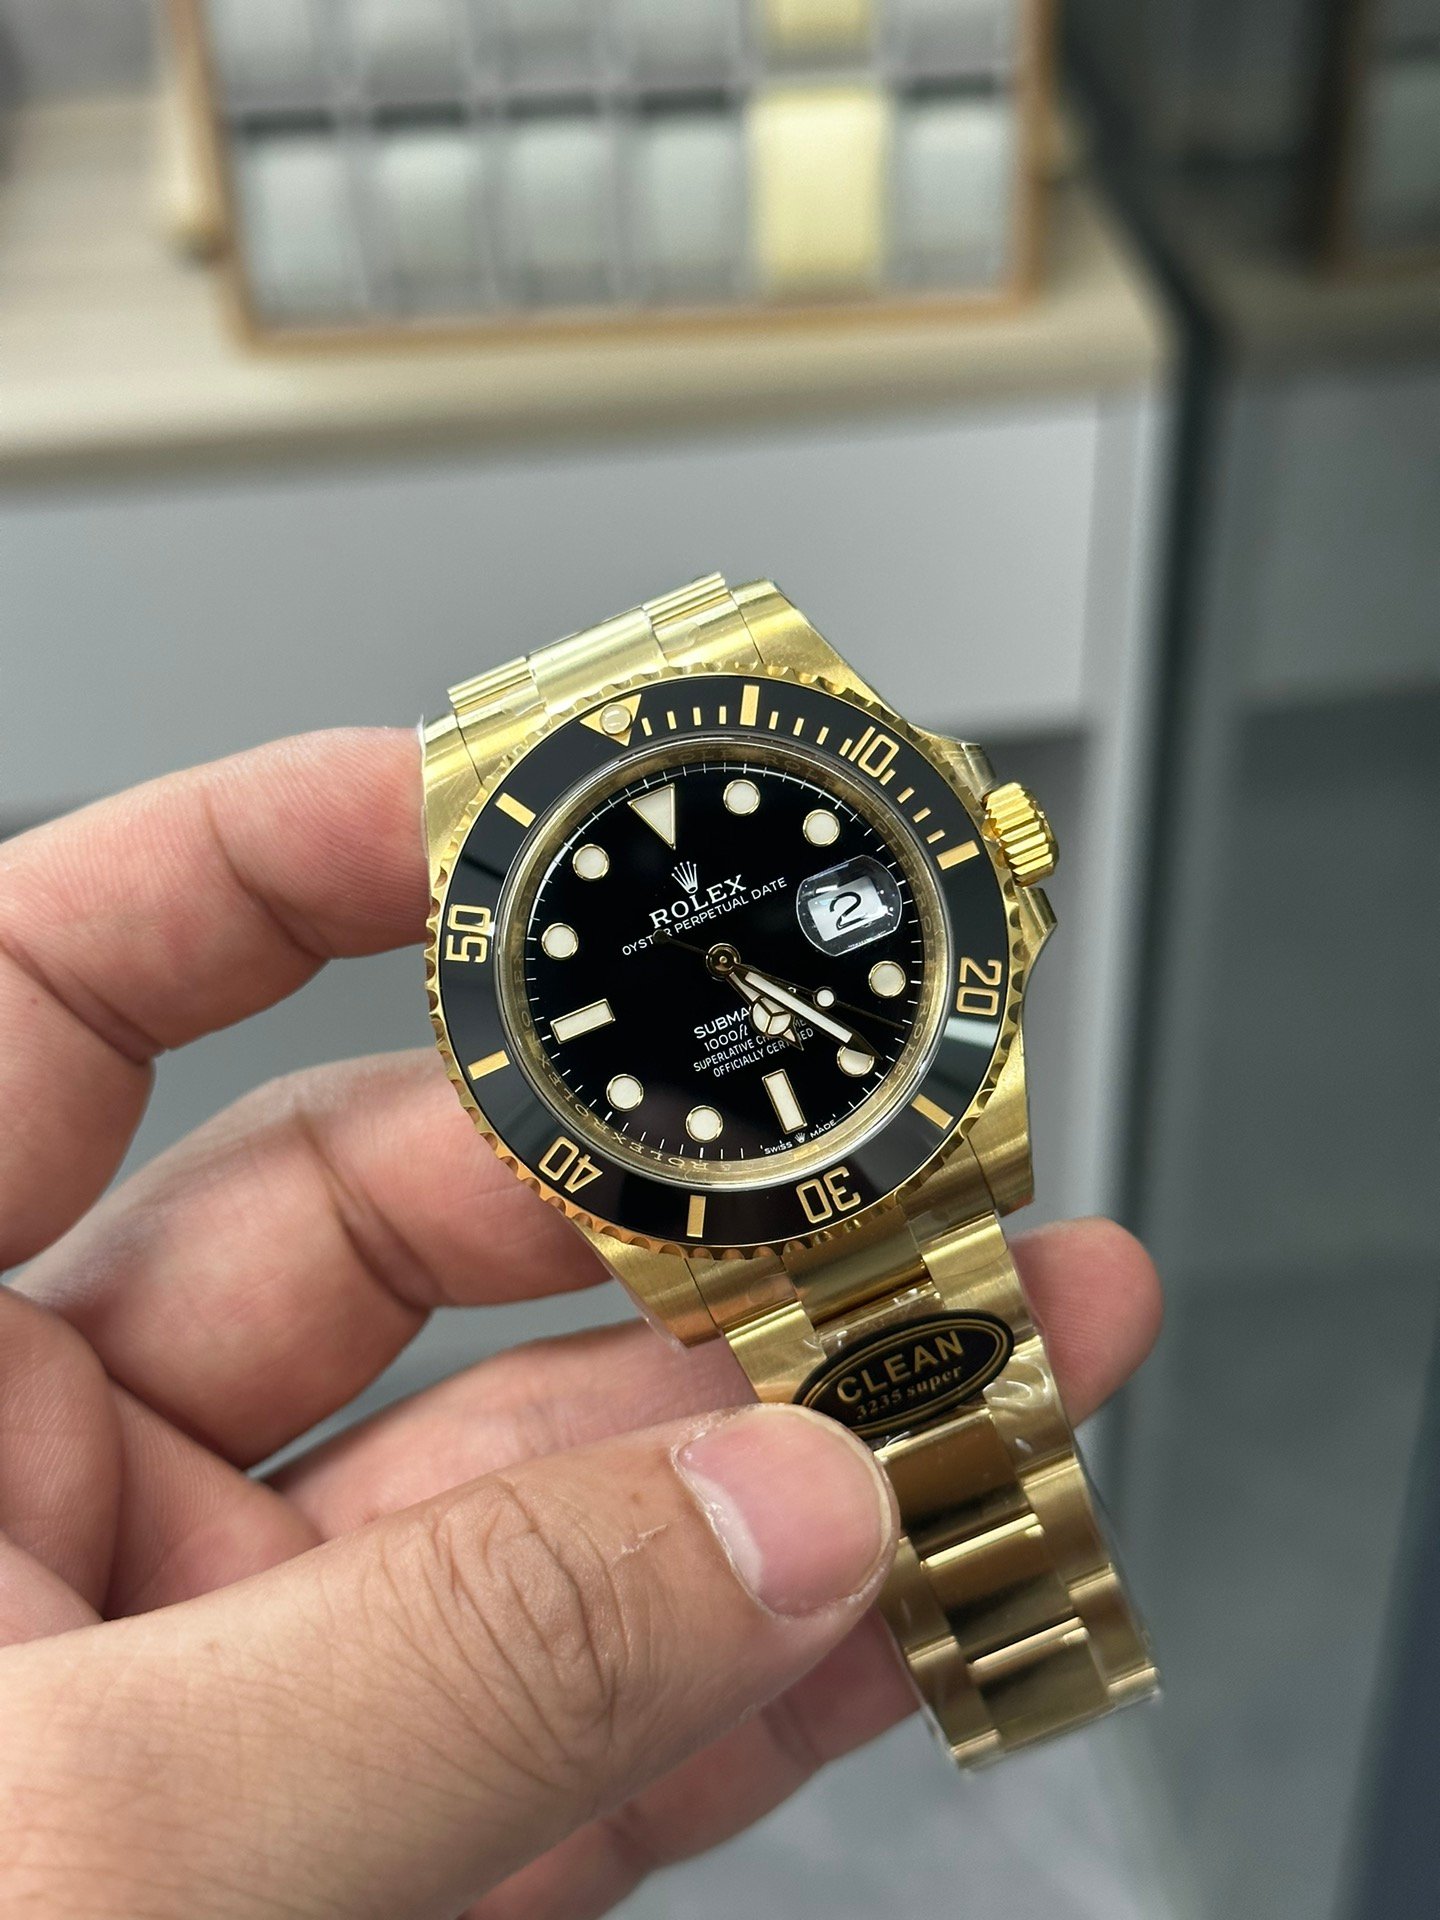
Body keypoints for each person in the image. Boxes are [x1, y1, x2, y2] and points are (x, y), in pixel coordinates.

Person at [0, 728, 1161, 1919]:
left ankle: (1043, 1662)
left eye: (730, 950)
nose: (721, 958)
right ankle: (1032, 1667)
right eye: (704, 961)